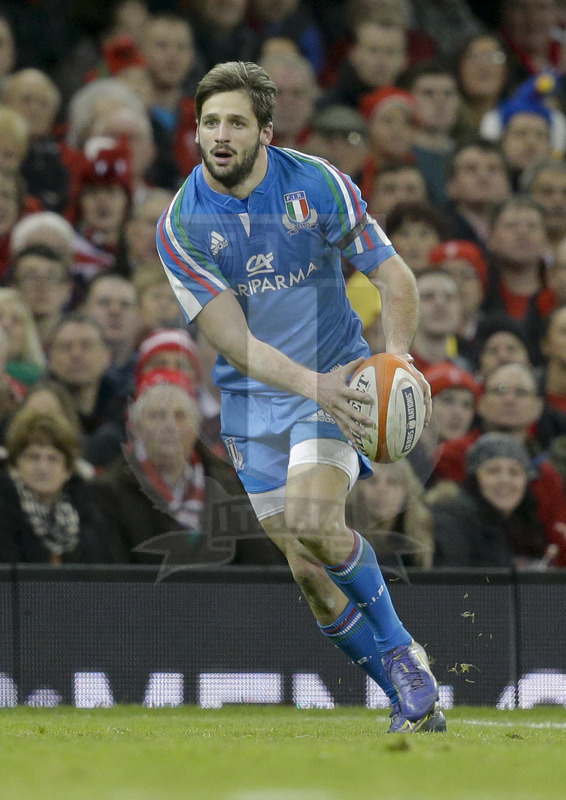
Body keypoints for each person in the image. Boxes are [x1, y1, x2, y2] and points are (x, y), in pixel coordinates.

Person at [156, 60, 444, 733]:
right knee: (308, 573)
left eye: (235, 122)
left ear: (264, 131)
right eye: (209, 123)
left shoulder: (315, 183)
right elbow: (233, 344)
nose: (219, 134)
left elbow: (392, 272)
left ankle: (403, 655)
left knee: (317, 521)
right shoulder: (182, 226)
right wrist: (308, 384)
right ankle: (409, 704)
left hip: (337, 381)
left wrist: (395, 357)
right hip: (255, 403)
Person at [0, 407, 112, 564]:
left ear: (67, 469)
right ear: (14, 465)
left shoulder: (89, 516)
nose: (43, 467)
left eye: (52, 458)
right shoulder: (4, 512)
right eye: (33, 457)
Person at [429, 432, 552, 568]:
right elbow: (451, 582)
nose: (505, 480)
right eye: (493, 471)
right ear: (474, 478)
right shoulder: (452, 519)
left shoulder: (522, 525)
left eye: (514, 472)